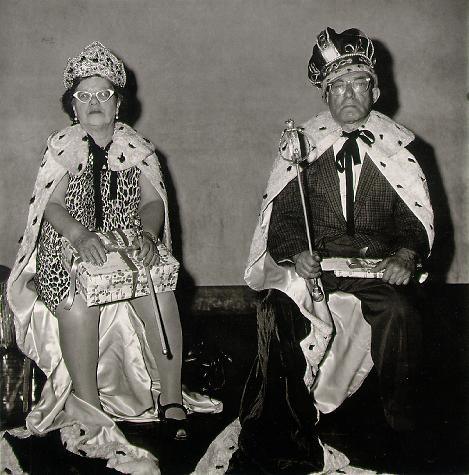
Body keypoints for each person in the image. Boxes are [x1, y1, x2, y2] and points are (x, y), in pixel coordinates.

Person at [195, 27, 435, 474]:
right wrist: (293, 254)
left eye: (358, 83)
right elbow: (281, 220)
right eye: (337, 85)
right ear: (325, 94)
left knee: (401, 314)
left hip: (376, 267)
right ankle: (284, 425)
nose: (348, 93)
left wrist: (405, 255)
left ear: (376, 90)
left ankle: (399, 423)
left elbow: (413, 221)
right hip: (317, 264)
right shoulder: (301, 146)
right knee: (276, 309)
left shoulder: (401, 148)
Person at [6, 41, 220, 473]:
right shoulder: (61, 149)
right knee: (78, 303)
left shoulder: (139, 149)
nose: (94, 103)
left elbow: (153, 201)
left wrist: (146, 232)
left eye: (103, 94)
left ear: (118, 103)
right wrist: (78, 234)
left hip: (125, 242)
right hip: (68, 243)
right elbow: (51, 206)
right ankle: (87, 406)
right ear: (72, 107)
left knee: (160, 297)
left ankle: (173, 397)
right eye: (84, 96)